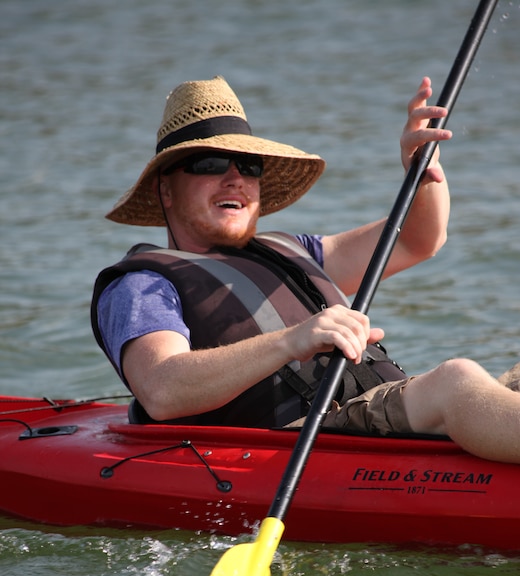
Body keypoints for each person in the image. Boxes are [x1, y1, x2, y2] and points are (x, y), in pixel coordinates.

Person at [92, 75, 520, 464]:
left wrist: (423, 173)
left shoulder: (295, 251)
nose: (235, 178)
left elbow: (416, 240)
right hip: (295, 446)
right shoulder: (143, 285)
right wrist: (293, 340)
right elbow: (162, 390)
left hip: (375, 418)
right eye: (209, 164)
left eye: (249, 166)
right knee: (454, 379)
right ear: (165, 190)